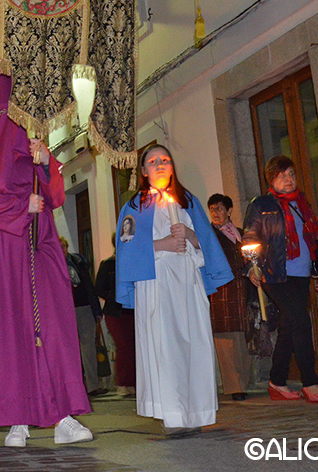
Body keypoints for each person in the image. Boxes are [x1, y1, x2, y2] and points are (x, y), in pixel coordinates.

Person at [0, 74, 92, 448]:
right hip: (1, 245)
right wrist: (19, 205)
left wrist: (46, 160)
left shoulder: (36, 147)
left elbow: (55, 196)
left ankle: (62, 416)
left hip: (41, 243)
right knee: (11, 329)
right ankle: (18, 419)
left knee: (51, 325)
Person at [115, 145, 233, 435]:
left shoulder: (188, 201)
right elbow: (126, 249)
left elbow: (206, 242)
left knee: (195, 343)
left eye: (165, 160)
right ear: (143, 171)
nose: (159, 165)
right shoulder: (134, 207)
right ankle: (172, 416)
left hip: (188, 283)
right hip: (156, 283)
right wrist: (161, 245)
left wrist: (192, 237)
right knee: (165, 347)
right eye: (152, 161)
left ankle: (196, 412)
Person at [243, 155, 318, 404]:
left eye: (291, 174)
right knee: (301, 321)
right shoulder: (262, 204)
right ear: (272, 179)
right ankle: (310, 383)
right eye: (282, 175)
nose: (289, 179)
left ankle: (277, 382)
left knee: (290, 326)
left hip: (301, 272)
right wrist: (252, 267)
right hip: (275, 272)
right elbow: (250, 235)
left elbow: (312, 240)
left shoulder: (301, 203)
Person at [206, 193, 251, 401]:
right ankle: (234, 387)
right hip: (221, 293)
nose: (215, 213)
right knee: (225, 338)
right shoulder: (208, 235)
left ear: (229, 210)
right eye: (212, 209)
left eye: (219, 208)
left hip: (241, 291)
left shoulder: (240, 233)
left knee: (241, 338)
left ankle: (243, 382)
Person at [61, 237, 104, 395]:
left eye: (64, 246)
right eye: (59, 246)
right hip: (65, 312)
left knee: (89, 348)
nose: (63, 249)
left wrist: (97, 310)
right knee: (69, 350)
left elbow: (89, 286)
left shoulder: (78, 262)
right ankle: (74, 387)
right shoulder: (52, 264)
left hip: (84, 308)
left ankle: (92, 385)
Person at [94, 234, 136, 396]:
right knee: (123, 345)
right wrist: (115, 296)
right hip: (115, 312)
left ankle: (134, 382)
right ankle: (123, 383)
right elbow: (99, 288)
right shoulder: (108, 265)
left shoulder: (134, 262)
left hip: (132, 311)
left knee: (134, 346)